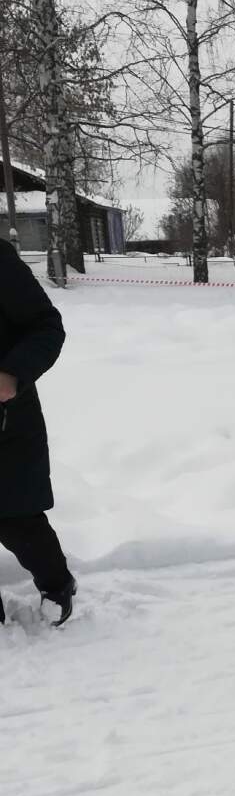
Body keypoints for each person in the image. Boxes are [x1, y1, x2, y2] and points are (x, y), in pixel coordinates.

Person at [0, 239, 76, 626]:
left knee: (15, 517)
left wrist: (12, 374)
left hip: (6, 419)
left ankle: (57, 585)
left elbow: (47, 327)